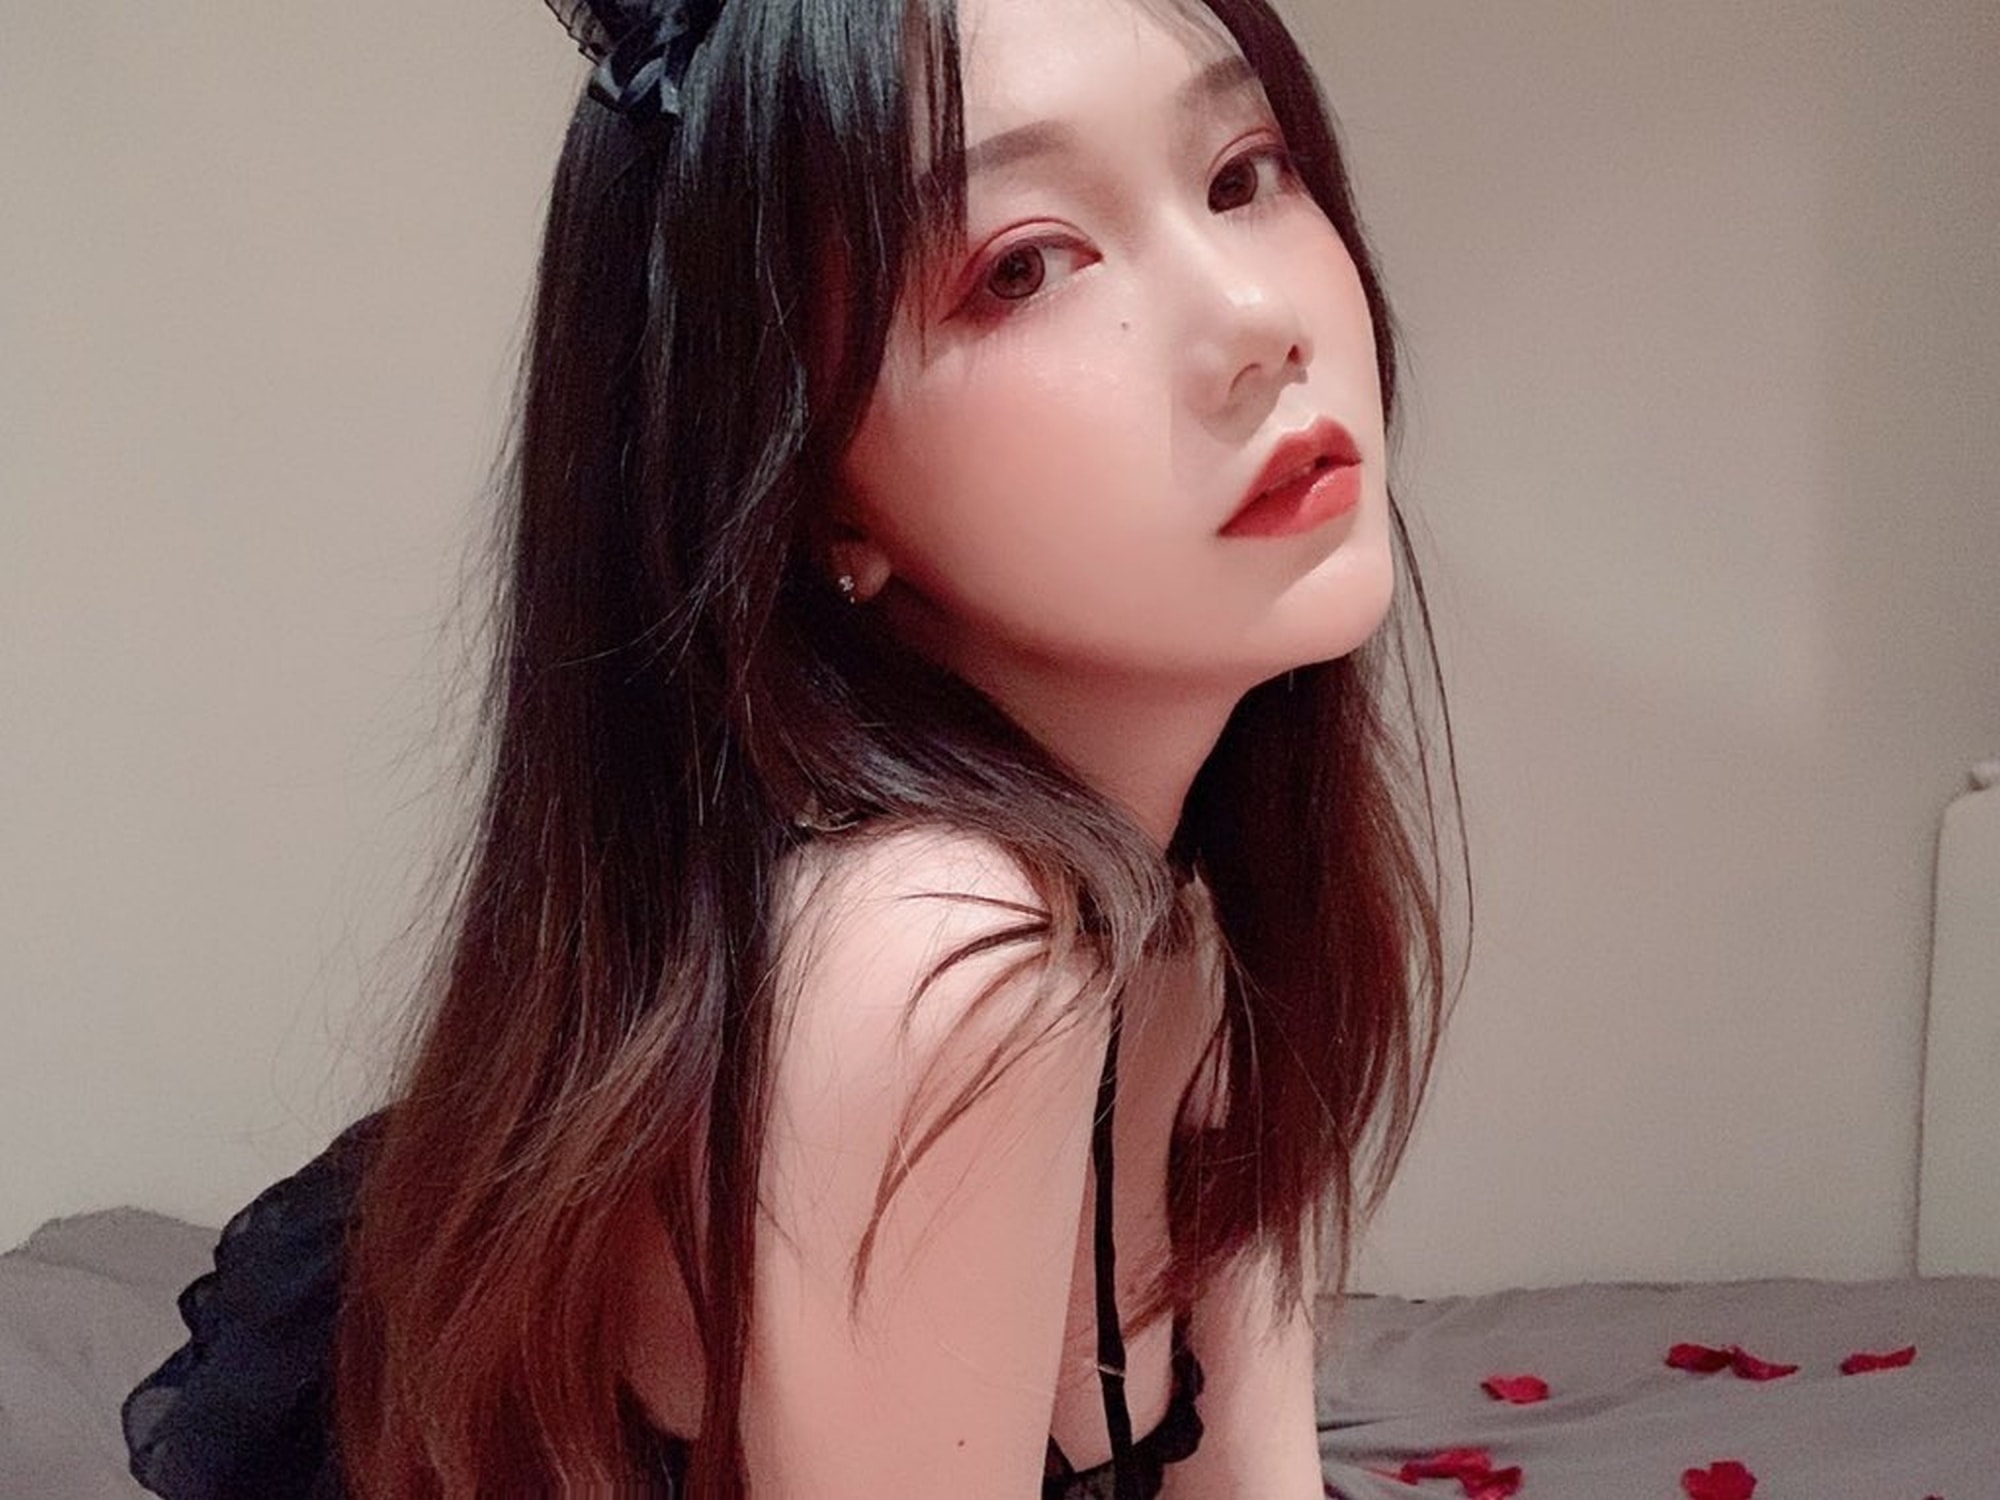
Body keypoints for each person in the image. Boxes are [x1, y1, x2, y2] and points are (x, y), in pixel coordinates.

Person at [123, 0, 1466, 1494]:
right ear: (814, 486)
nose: (1256, 323)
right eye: (1024, 265)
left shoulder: (1191, 923)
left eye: (1242, 174)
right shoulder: (944, 963)